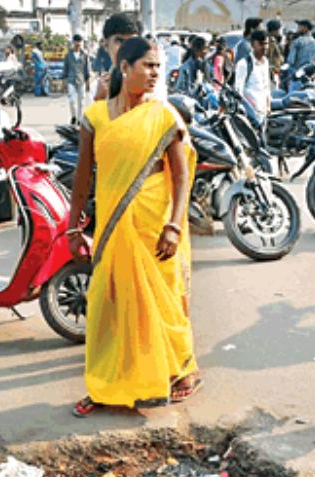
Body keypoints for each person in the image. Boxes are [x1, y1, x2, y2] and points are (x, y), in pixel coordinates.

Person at [67, 37, 199, 418]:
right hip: (112, 224)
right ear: (125, 68)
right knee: (106, 303)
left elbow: (180, 176)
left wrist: (174, 225)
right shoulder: (94, 117)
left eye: (158, 66)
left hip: (153, 225)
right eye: (148, 65)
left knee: (161, 302)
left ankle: (181, 370)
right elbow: (82, 177)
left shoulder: (163, 116)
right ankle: (105, 386)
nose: (156, 73)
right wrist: (73, 226)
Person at [93, 13, 168, 102]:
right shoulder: (99, 87)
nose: (126, 48)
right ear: (106, 45)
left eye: (132, 42)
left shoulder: (151, 82)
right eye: (120, 41)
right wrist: (99, 101)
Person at [235, 29, 272, 123]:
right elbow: (239, 91)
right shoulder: (243, 64)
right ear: (252, 45)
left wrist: (268, 105)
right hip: (251, 114)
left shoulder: (266, 62)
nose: (264, 47)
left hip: (263, 111)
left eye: (266, 44)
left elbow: (266, 86)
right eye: (261, 44)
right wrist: (250, 109)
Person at [62, 35, 90, 124]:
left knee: (81, 101)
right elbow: (65, 68)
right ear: (73, 42)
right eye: (76, 42)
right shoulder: (68, 55)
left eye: (79, 42)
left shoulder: (85, 55)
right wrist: (64, 81)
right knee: (72, 101)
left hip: (81, 80)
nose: (78, 44)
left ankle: (79, 119)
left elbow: (87, 69)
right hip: (71, 80)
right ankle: (74, 116)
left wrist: (88, 81)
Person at [285, 20, 315, 91]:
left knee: (292, 99)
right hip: (310, 78)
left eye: (299, 26)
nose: (298, 28)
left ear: (305, 28)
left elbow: (291, 61)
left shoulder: (297, 42)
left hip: (297, 76)